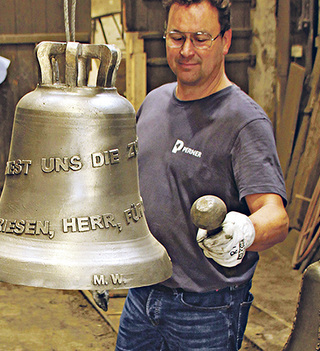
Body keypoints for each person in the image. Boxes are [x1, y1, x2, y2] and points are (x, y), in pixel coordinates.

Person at [115, 0, 289, 350]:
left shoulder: (243, 121)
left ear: (225, 41)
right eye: (176, 37)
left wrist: (246, 231)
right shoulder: (153, 102)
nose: (186, 50)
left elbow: (277, 217)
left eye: (200, 38)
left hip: (206, 308)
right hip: (142, 293)